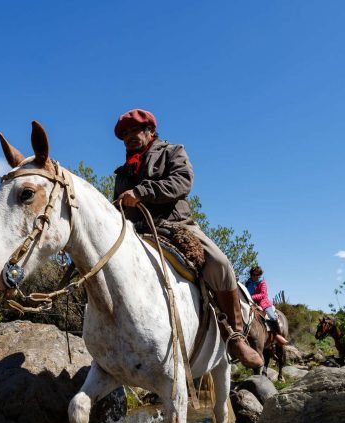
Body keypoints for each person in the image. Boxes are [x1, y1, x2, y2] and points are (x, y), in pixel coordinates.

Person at [112, 108, 263, 369]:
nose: (128, 138)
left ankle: (236, 336)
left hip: (175, 225)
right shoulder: (123, 172)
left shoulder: (172, 151)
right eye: (124, 135)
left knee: (221, 264)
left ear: (150, 131)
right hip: (137, 230)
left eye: (133, 131)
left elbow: (182, 182)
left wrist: (142, 191)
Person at [246, 265, 289, 346]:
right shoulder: (248, 283)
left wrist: (251, 297)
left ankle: (277, 335)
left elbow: (263, 294)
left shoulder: (262, 283)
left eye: (256, 275)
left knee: (272, 317)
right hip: (249, 303)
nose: (254, 276)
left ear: (259, 275)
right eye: (252, 274)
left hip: (263, 303)